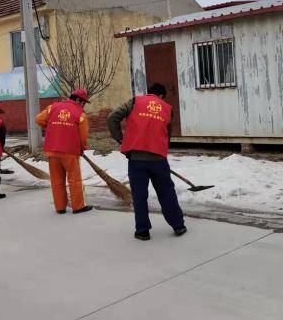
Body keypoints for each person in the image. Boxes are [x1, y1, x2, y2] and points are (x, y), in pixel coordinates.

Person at [107, 83, 186, 241]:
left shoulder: (135, 102)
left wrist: (119, 138)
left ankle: (142, 231)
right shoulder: (167, 108)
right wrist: (160, 150)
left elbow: (112, 117)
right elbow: (167, 134)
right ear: (162, 96)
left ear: (149, 93)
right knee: (166, 192)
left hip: (136, 159)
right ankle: (178, 225)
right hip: (158, 160)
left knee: (139, 195)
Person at [35, 89, 93, 215]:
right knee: (74, 179)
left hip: (52, 150)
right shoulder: (80, 114)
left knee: (57, 180)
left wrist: (52, 126)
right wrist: (83, 147)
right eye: (83, 102)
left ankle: (60, 207)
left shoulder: (52, 108)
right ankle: (78, 207)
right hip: (70, 152)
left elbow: (39, 119)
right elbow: (83, 137)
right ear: (78, 100)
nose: (83, 105)